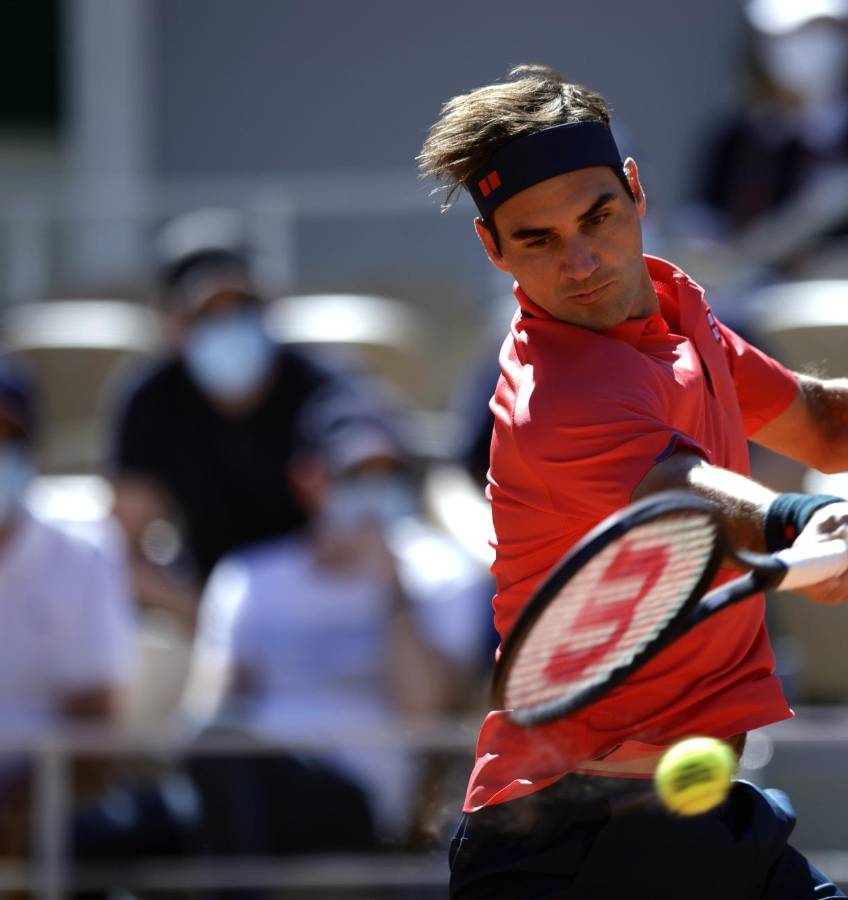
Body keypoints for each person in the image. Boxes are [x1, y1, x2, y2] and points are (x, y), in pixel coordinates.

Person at [418, 65, 848, 898]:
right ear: (493, 249)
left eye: (599, 217)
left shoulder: (676, 317)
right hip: (566, 846)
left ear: (635, 193)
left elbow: (820, 421)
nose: (582, 260)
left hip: (698, 815)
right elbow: (679, 494)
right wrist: (800, 516)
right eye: (537, 240)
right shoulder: (555, 397)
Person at [74, 385, 489, 873]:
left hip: (357, 798)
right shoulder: (251, 577)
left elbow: (423, 711)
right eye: (356, 473)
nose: (374, 490)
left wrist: (389, 589)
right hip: (237, 784)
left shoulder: (441, 573)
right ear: (310, 481)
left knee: (235, 781)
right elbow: (207, 716)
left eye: (387, 472)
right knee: (95, 836)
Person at [110, 209, 340, 627]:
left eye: (242, 306)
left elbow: (368, 519)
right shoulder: (150, 401)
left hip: (317, 600)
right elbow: (121, 549)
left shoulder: (321, 388)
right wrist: (209, 616)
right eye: (208, 314)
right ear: (174, 325)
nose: (228, 325)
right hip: (204, 603)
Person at [0, 359, 136, 857]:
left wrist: (12, 821)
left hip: (52, 826)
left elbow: (93, 741)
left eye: (7, 436)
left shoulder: (85, 553)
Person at [684, 0, 848, 247]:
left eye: (829, 31)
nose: (813, 47)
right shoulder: (733, 142)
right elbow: (699, 246)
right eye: (794, 34)